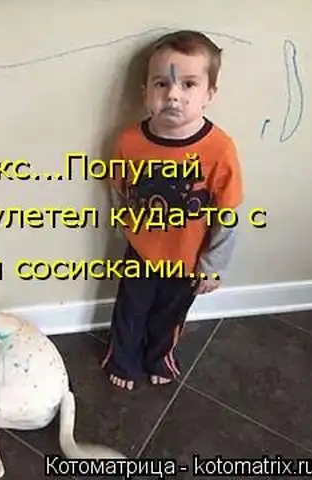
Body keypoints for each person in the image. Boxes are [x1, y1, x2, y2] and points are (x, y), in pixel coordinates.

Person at [100, 30, 244, 391]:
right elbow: (119, 188)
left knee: (170, 313)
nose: (173, 95)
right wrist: (124, 226)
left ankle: (159, 356)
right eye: (161, 83)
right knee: (129, 309)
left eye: (189, 84)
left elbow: (227, 214)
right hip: (141, 250)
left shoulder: (220, 149)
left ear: (209, 94)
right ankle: (122, 359)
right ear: (145, 92)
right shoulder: (129, 141)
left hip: (188, 257)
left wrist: (213, 265)